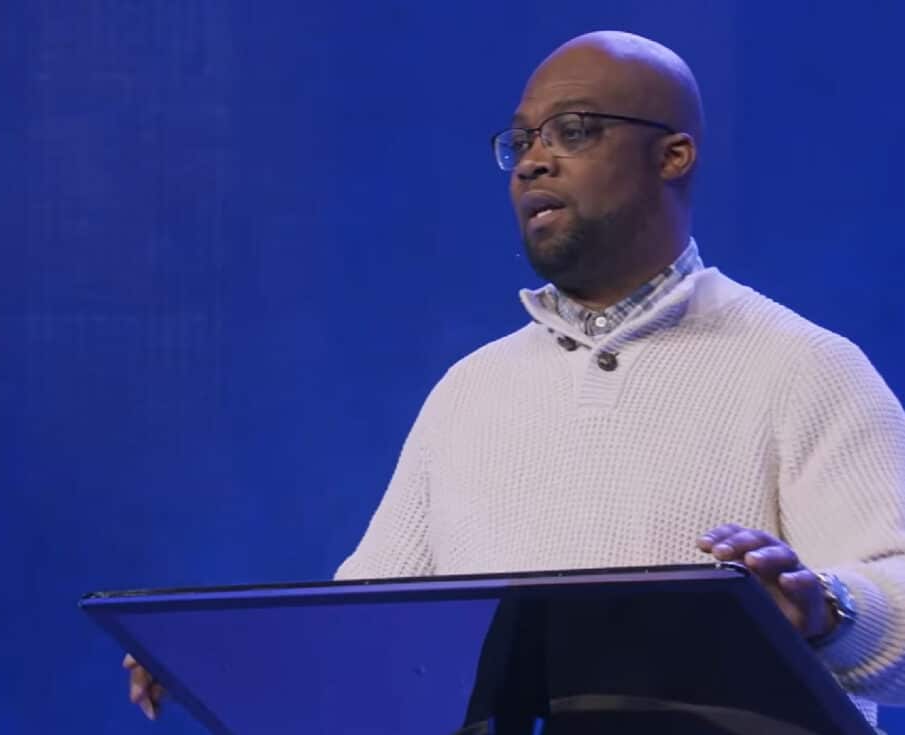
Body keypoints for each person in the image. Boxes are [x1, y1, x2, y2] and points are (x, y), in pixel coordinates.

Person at [125, 30, 905, 726]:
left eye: (573, 130)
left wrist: (826, 611)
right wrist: (220, 658)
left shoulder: (801, 366)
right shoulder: (470, 391)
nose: (533, 159)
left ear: (673, 155)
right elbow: (369, 631)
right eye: (522, 139)